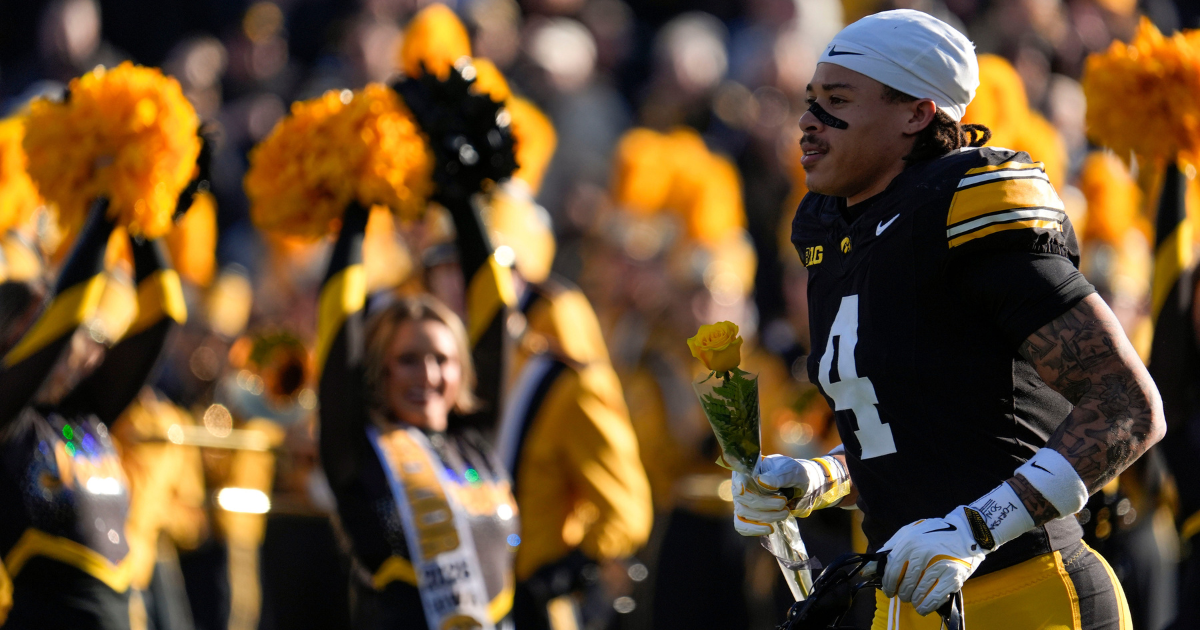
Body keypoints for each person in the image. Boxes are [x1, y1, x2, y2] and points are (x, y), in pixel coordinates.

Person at [731, 10, 1164, 629]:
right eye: (810, 101)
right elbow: (925, 436)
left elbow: (1128, 405)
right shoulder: (835, 228)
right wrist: (821, 476)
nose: (808, 120)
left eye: (837, 101)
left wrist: (979, 528)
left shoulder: (965, 208)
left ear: (916, 114)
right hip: (906, 604)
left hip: (1029, 594)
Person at [317, 202, 519, 630]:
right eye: (408, 359)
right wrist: (355, 208)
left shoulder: (475, 441)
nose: (427, 375)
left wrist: (463, 198)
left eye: (442, 360)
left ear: (462, 370)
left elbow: (493, 309)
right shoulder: (359, 451)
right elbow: (337, 321)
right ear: (379, 369)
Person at [0, 198, 187, 629]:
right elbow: (67, 314)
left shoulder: (86, 415)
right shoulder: (7, 423)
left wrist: (138, 203)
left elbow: (164, 313)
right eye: (58, 336)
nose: (82, 347)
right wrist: (101, 215)